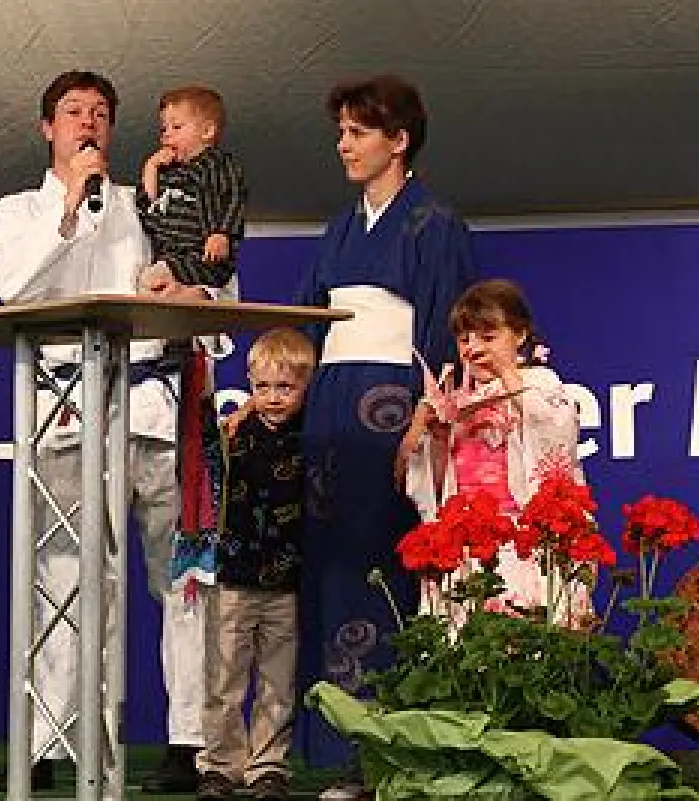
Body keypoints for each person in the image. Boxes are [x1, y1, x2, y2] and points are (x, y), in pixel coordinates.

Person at [0, 70, 221, 794]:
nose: (89, 124)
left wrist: (193, 292)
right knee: (65, 582)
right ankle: (53, 740)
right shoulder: (15, 210)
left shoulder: (148, 203)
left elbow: (216, 281)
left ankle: (192, 743)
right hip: (67, 415)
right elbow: (11, 286)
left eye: (102, 114)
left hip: (158, 410)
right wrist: (72, 215)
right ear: (47, 127)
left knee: (184, 581)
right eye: (74, 113)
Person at [290, 74, 478, 798]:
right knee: (333, 569)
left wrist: (423, 424)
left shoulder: (434, 222)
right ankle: (339, 746)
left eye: (358, 131)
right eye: (340, 131)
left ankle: (393, 749)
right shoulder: (340, 226)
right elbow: (310, 319)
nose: (344, 144)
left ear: (399, 140)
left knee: (387, 571)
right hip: (332, 410)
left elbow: (445, 332)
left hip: (392, 410)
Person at [397, 278, 589, 622]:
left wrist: (508, 375)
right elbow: (429, 487)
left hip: (522, 539)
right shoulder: (455, 397)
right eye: (465, 339)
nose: (474, 349)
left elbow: (556, 436)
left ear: (520, 335)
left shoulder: (540, 384)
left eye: (488, 337)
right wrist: (434, 437)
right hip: (469, 542)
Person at [195, 329, 312, 801]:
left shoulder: (311, 440)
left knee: (278, 682)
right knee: (223, 678)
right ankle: (220, 766)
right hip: (234, 579)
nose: (272, 399)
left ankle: (268, 766)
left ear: (307, 387)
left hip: (286, 582)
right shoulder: (233, 436)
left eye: (285, 388)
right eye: (262, 387)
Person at [136, 85, 245, 294]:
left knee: (150, 282)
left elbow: (234, 197)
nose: (167, 136)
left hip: (204, 256)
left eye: (176, 127)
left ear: (207, 131)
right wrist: (150, 168)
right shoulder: (169, 173)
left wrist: (222, 233)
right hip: (173, 258)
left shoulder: (216, 165)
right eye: (164, 129)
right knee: (148, 284)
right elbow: (148, 207)